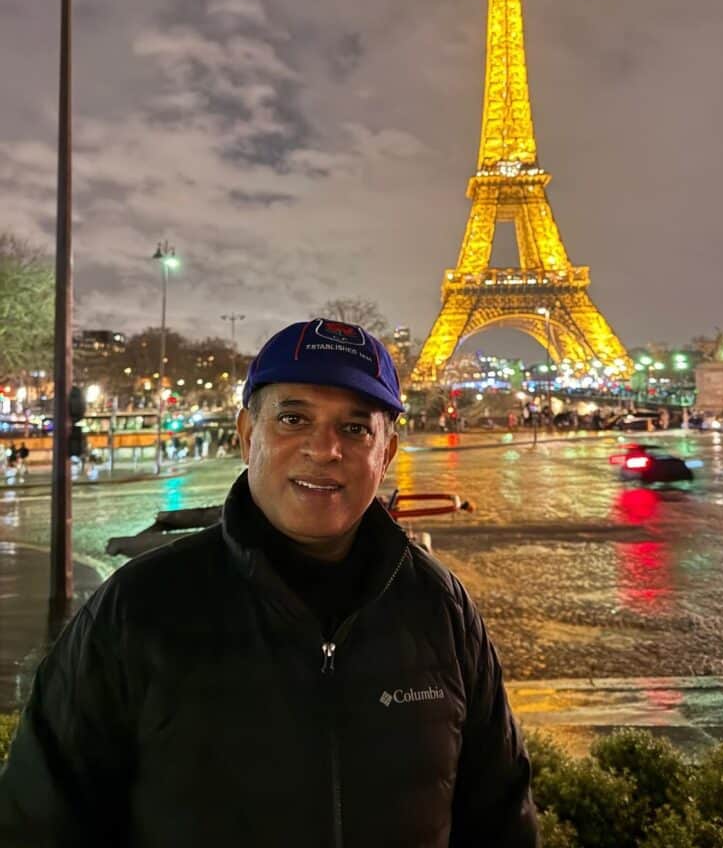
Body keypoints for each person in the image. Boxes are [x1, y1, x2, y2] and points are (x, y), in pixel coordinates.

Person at [0, 318, 539, 847]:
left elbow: (499, 818)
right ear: (246, 435)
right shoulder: (135, 610)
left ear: (387, 454)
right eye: (294, 419)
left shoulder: (443, 611)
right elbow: (39, 821)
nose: (325, 449)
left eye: (354, 428)